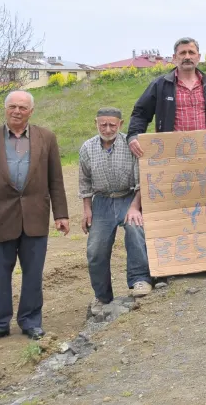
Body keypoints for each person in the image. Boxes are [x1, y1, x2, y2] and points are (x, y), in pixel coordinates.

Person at [0, 91, 69, 344]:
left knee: (33, 274)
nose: (17, 111)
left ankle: (31, 321)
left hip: (35, 217)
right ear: (5, 109)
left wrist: (61, 214)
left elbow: (55, 180)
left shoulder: (47, 138)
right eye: (12, 106)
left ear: (31, 111)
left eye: (23, 107)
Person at [79, 108, 151, 305]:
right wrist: (87, 210)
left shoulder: (131, 145)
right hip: (101, 201)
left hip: (129, 197)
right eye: (103, 124)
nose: (108, 129)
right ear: (96, 123)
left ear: (120, 124)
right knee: (96, 249)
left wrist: (135, 207)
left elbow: (141, 180)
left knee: (135, 231)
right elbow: (84, 182)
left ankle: (140, 280)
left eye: (112, 124)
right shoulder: (87, 148)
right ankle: (102, 296)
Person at [127, 38, 206, 157]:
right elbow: (141, 113)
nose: (187, 57)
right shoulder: (160, 84)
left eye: (191, 53)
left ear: (198, 57)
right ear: (175, 57)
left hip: (203, 150)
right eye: (182, 53)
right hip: (171, 152)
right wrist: (134, 135)